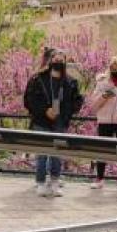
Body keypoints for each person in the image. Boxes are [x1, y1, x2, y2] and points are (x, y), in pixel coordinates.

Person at [24, 47, 83, 197]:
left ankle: (55, 181)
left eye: (61, 60)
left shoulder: (70, 81)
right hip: (41, 121)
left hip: (60, 122)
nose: (58, 62)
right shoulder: (37, 79)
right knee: (42, 154)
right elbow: (29, 100)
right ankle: (40, 182)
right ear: (50, 60)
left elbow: (77, 101)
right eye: (55, 59)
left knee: (57, 154)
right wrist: (45, 110)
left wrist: (67, 114)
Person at [88, 55, 117, 190]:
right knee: (103, 149)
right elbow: (94, 104)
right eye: (112, 68)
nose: (115, 71)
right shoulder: (102, 81)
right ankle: (99, 178)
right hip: (105, 120)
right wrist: (104, 96)